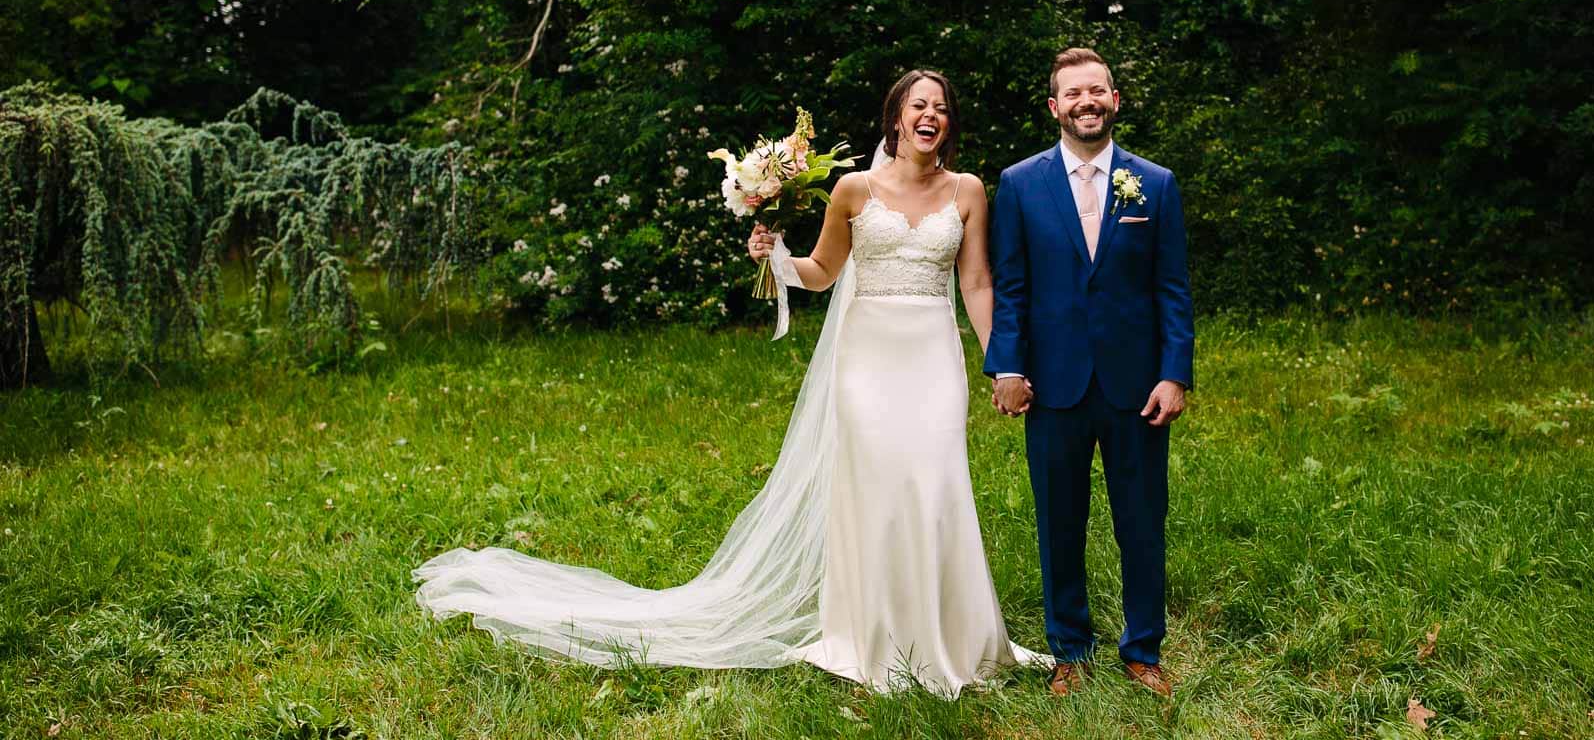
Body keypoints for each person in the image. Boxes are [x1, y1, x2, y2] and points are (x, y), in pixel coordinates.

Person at [413, 68, 1042, 698]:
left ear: (948, 123)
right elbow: (821, 272)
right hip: (868, 362)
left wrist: (1004, 362)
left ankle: (949, 637)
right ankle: (872, 637)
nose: (930, 115)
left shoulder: (966, 191)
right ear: (896, 119)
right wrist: (771, 255)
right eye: (918, 105)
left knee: (936, 484)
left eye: (940, 107)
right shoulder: (853, 189)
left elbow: (977, 283)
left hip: (933, 359)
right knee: (878, 488)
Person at [984, 47, 1196, 698]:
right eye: (1072, 93)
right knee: (1059, 522)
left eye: (1096, 91)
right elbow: (1011, 286)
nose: (1086, 102)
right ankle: (1070, 650)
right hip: (1054, 384)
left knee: (1141, 520)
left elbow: (1172, 290)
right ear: (1054, 107)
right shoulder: (1019, 184)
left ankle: (1142, 649)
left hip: (1136, 387)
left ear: (1115, 100)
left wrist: (1174, 374)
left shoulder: (1153, 184)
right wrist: (1008, 366)